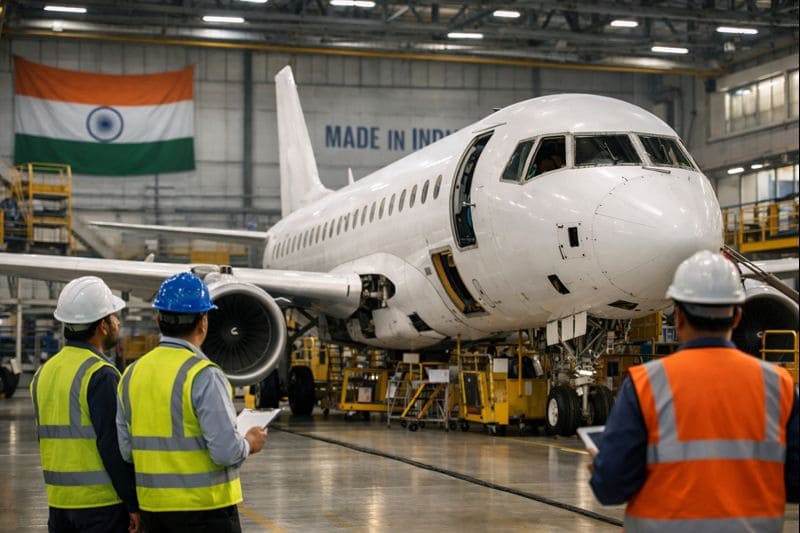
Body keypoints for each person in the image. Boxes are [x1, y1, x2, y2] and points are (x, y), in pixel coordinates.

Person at [589, 250, 799, 532]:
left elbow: (609, 488)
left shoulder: (645, 385)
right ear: (737, 317)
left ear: (677, 317)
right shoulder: (779, 385)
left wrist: (600, 468)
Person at [116, 272, 267, 533]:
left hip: (153, 511)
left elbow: (127, 450)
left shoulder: (131, 374)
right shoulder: (204, 375)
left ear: (158, 318)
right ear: (203, 321)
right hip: (205, 512)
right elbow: (225, 452)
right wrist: (249, 443)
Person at [30, 276, 140, 533]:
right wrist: (133, 503)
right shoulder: (101, 374)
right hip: (100, 505)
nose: (118, 322)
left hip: (59, 504)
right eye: (114, 317)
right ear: (103, 325)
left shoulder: (43, 373)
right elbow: (113, 447)